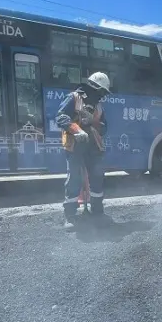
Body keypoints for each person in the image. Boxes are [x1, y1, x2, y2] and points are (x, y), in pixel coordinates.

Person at [55, 72, 111, 228]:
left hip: (94, 147)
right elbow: (61, 117)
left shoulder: (98, 106)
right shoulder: (74, 98)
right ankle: (70, 216)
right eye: (102, 92)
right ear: (94, 88)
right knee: (74, 179)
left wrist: (94, 122)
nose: (102, 96)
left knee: (97, 178)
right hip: (75, 146)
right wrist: (76, 130)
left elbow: (104, 128)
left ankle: (98, 212)